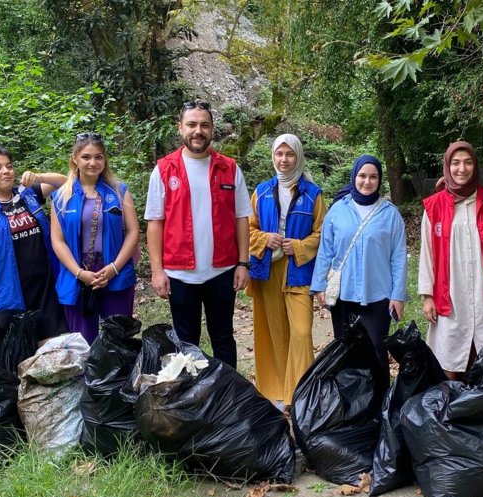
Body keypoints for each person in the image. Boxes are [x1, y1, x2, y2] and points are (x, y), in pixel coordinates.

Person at [145, 100, 251, 369]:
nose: (198, 131)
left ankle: (228, 398)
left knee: (223, 337)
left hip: (223, 270)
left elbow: (241, 219)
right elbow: (155, 223)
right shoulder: (164, 169)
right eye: (191, 124)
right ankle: (193, 402)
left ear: (212, 129)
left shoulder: (229, 167)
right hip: (180, 273)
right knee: (186, 342)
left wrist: (243, 263)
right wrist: (157, 271)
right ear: (180, 127)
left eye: (204, 125)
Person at [418, 140, 483, 380]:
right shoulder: (434, 206)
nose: (462, 169)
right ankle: (451, 409)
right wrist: (427, 296)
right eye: (456, 163)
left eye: (468, 162)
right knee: (450, 355)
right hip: (450, 290)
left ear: (475, 166)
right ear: (447, 166)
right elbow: (427, 253)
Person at [310, 155, 407, 383]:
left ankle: (380, 403)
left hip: (378, 295)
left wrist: (398, 295)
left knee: (375, 348)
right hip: (343, 294)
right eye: (362, 176)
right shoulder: (337, 211)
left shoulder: (390, 214)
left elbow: (399, 257)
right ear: (354, 177)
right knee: (346, 350)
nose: (367, 181)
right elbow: (325, 250)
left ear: (379, 180)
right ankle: (350, 405)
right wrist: (319, 286)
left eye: (373, 177)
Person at [247, 134, 325, 409]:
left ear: (298, 157)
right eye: (279, 154)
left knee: (302, 332)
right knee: (275, 333)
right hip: (268, 270)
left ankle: (303, 393)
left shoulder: (313, 194)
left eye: (289, 154)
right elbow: (247, 229)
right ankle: (280, 393)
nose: (284, 160)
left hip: (298, 271)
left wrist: (301, 246)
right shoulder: (262, 192)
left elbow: (323, 234)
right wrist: (264, 240)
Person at [0, 144, 68, 343]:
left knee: (49, 345)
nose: (5, 171)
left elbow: (64, 183)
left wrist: (38, 177)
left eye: (9, 166)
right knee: (20, 349)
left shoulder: (28, 195)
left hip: (45, 285)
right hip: (9, 290)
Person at [50, 133, 139, 345]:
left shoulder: (119, 191)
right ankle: (86, 379)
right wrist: (80, 273)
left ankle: (120, 379)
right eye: (86, 157)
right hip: (77, 277)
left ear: (105, 159)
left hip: (115, 274)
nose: (93, 162)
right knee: (83, 344)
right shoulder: (62, 196)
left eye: (98, 157)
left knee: (119, 342)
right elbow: (58, 240)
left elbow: (133, 232)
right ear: (75, 159)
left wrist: (115, 268)